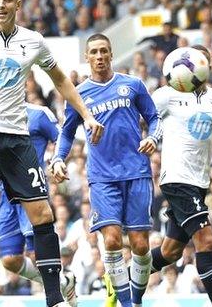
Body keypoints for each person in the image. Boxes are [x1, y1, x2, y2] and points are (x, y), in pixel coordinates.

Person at [0, 0, 104, 307]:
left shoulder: (32, 41)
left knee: (43, 215)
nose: (1, 4)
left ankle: (54, 298)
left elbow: (59, 77)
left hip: (17, 140)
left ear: (18, 4)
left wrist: (87, 115)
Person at [51, 33, 161, 307]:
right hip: (102, 178)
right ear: (87, 58)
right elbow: (66, 132)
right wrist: (58, 159)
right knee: (111, 241)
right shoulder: (80, 93)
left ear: (111, 54)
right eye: (94, 53)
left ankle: (135, 300)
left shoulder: (132, 85)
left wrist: (152, 138)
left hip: (136, 172)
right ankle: (126, 304)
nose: (99, 57)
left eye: (104, 52)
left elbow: (154, 118)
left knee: (140, 246)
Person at [149, 45, 212, 307]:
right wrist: (151, 138)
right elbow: (144, 117)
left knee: (170, 252)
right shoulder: (166, 95)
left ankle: (124, 275)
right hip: (176, 178)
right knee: (206, 239)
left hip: (199, 182)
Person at [0, 103, 77, 305]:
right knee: (10, 260)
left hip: (30, 191)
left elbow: (61, 136)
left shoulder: (38, 114)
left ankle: (55, 297)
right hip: (5, 195)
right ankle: (64, 282)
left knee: (36, 254)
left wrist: (57, 160)